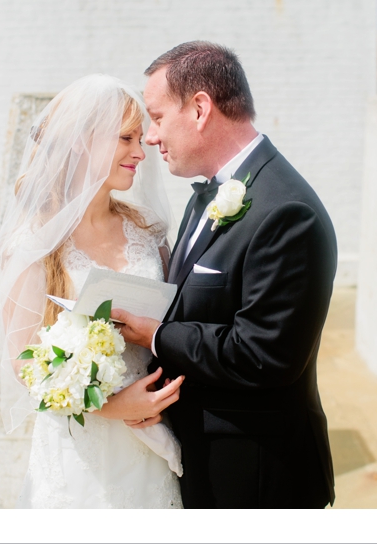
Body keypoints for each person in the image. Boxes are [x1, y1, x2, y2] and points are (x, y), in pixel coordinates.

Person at [114, 41, 336, 508]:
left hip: (254, 475)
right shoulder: (210, 193)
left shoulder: (286, 211)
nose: (151, 138)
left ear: (199, 109)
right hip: (198, 459)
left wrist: (155, 336)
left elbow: (262, 354)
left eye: (156, 118)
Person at [0, 74, 185, 509]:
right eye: (125, 138)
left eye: (140, 138)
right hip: (79, 451)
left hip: (151, 440)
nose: (141, 151)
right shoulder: (35, 243)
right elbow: (25, 365)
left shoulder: (147, 230)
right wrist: (113, 406)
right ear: (82, 141)